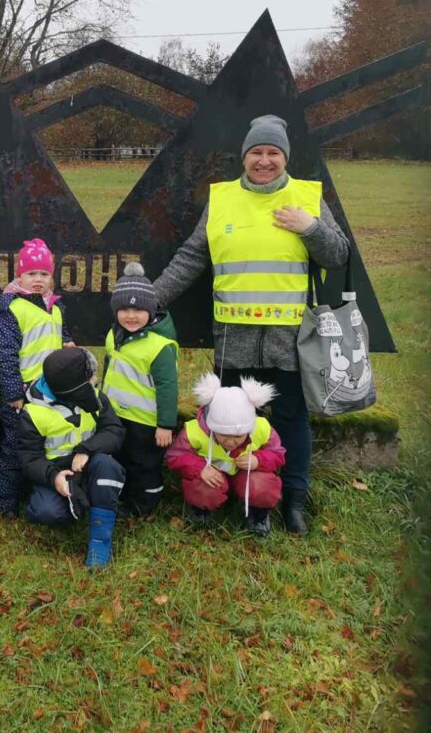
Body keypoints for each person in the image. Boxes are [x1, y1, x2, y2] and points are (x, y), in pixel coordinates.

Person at [153, 115, 349, 533]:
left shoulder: (307, 197)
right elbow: (192, 257)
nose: (264, 161)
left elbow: (337, 255)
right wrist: (150, 299)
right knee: (226, 422)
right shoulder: (222, 199)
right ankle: (218, 493)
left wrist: (310, 228)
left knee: (292, 419)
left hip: (290, 338)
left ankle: (293, 499)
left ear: (285, 157)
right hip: (234, 337)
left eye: (273, 153)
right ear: (244, 157)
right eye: (256, 153)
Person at [16, 347, 126, 568]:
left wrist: (87, 448)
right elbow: (28, 458)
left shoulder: (96, 398)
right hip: (55, 473)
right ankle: (59, 502)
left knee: (108, 466)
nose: (95, 380)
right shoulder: (34, 413)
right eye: (89, 377)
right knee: (48, 512)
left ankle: (99, 541)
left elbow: (114, 431)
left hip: (90, 464)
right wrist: (54, 477)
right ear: (74, 389)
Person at [0, 238, 73, 516]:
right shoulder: (11, 309)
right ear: (19, 275)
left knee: (42, 445)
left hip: (50, 393)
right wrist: (13, 393)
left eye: (44, 274)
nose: (38, 280)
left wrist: (69, 345)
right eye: (31, 274)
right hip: (22, 394)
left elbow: (60, 336)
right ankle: (2, 501)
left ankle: (33, 491)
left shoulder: (55, 307)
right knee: (15, 448)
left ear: (52, 276)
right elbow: (3, 353)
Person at [99, 262, 178, 518]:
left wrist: (166, 424)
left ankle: (146, 505)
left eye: (138, 309)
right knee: (120, 458)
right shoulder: (114, 335)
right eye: (124, 309)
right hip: (116, 416)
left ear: (151, 310)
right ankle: (122, 498)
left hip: (145, 422)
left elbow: (168, 388)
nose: (131, 316)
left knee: (144, 465)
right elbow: (109, 369)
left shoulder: (160, 346)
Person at [166, 373, 285, 536]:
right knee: (202, 487)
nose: (230, 442)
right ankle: (201, 511)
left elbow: (278, 454)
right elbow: (175, 456)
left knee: (262, 484)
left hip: (247, 475)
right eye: (223, 435)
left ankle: (258, 513)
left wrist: (259, 460)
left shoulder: (262, 428)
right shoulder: (194, 430)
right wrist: (199, 468)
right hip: (212, 476)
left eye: (238, 436)